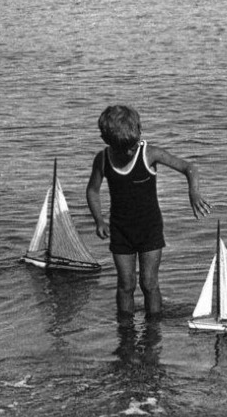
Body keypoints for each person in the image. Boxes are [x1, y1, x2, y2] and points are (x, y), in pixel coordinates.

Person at [86, 105, 211, 316]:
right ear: (107, 141)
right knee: (126, 284)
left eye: (132, 146)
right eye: (121, 148)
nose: (128, 152)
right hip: (120, 230)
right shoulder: (103, 159)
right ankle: (125, 330)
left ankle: (154, 330)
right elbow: (92, 190)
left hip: (150, 229)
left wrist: (194, 192)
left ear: (139, 132)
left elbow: (188, 167)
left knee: (149, 283)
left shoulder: (150, 154)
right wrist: (99, 220)